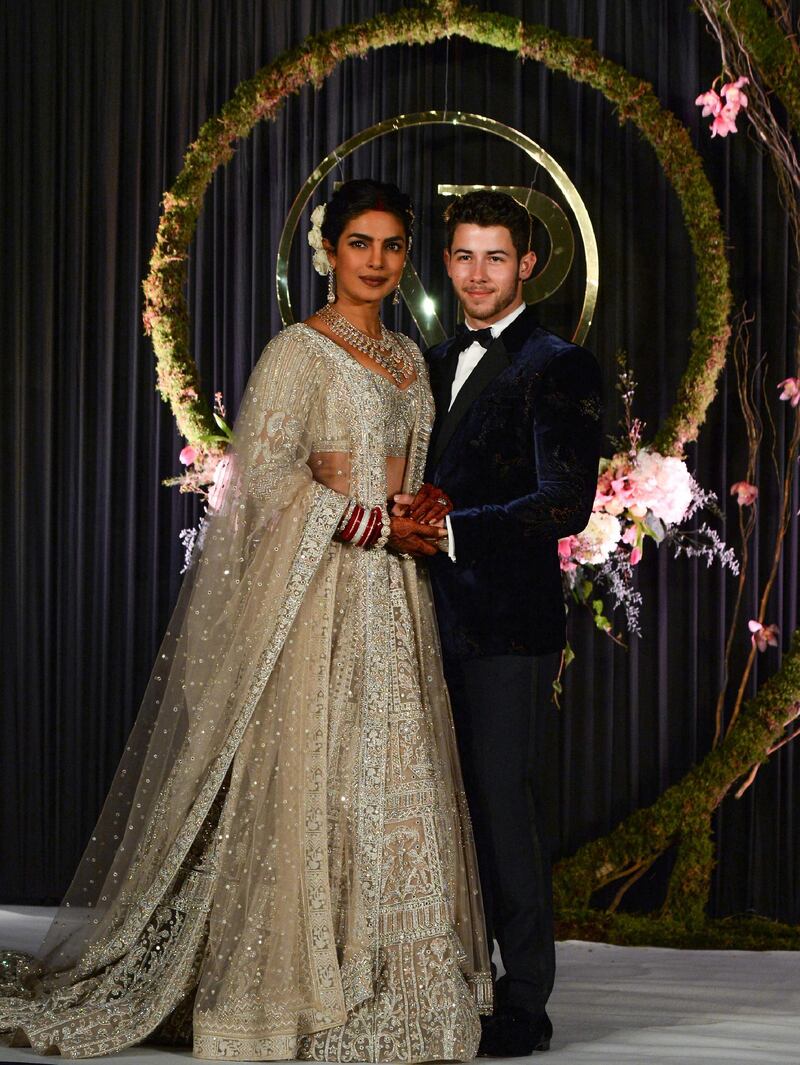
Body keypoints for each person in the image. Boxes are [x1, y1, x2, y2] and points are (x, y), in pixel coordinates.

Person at [0, 180, 492, 1061]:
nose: (375, 262)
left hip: (395, 598)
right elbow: (264, 484)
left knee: (394, 773)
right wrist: (367, 519)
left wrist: (421, 508)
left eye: (390, 247)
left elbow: (409, 466)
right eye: (358, 245)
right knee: (320, 770)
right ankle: (298, 982)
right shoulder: (297, 353)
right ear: (327, 251)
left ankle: (396, 978)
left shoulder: (413, 362)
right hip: (320, 594)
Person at [396, 190, 602, 1056]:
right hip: (414, 618)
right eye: (464, 257)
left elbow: (566, 502)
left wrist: (450, 529)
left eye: (496, 257)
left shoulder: (559, 363)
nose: (479, 273)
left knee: (501, 806)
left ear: (526, 266)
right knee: (432, 808)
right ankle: (451, 977)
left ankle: (525, 999)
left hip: (507, 627)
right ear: (446, 266)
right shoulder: (425, 362)